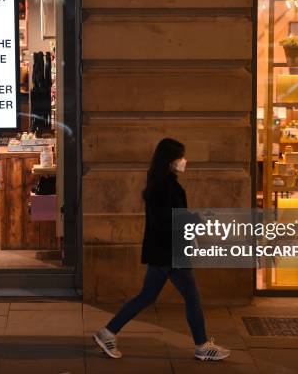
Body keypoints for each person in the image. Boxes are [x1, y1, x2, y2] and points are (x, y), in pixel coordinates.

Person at [93, 138, 231, 362]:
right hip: (170, 251)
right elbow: (165, 220)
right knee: (192, 298)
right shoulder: (164, 186)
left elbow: (168, 217)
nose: (184, 161)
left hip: (164, 251)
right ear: (170, 160)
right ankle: (202, 346)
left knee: (147, 296)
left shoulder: (162, 182)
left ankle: (107, 332)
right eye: (180, 157)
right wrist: (195, 218)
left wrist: (194, 218)